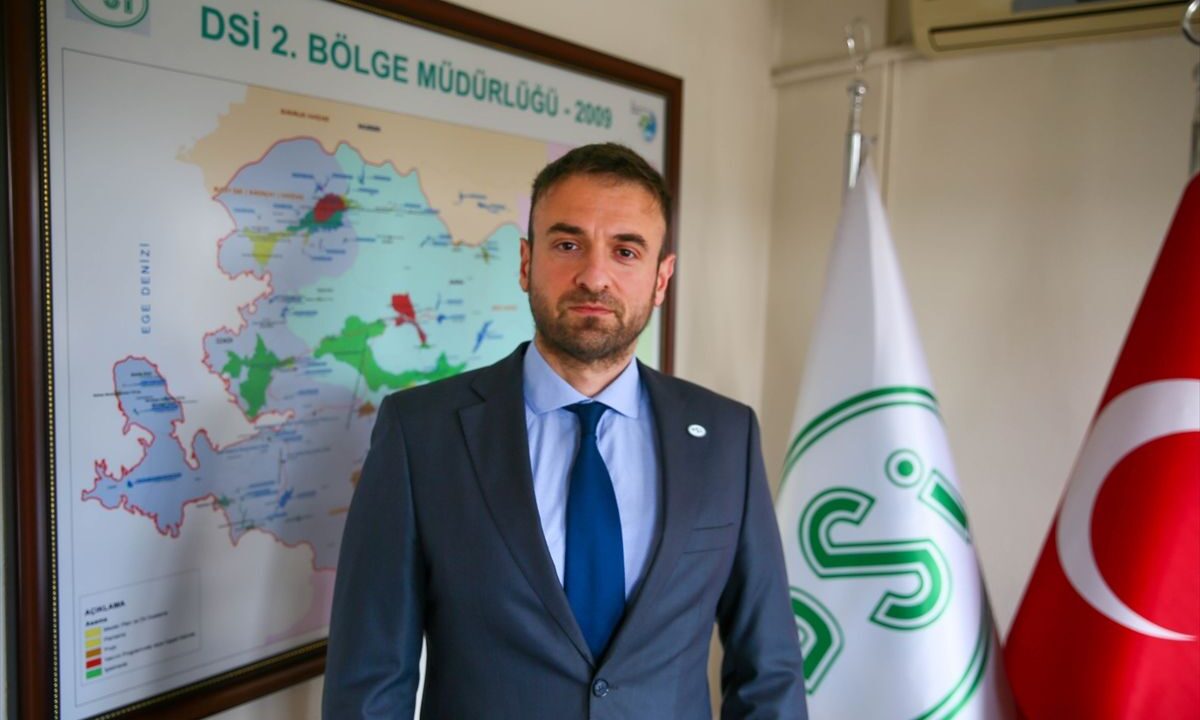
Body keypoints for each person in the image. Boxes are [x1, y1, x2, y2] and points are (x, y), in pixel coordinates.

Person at [323, 143, 806, 719]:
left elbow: (768, 671)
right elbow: (370, 682)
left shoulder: (727, 436)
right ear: (526, 262)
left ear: (661, 278)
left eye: (626, 251)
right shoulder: (419, 434)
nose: (594, 276)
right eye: (568, 245)